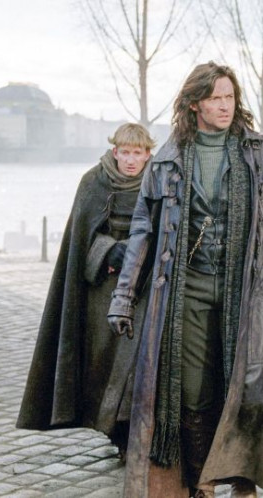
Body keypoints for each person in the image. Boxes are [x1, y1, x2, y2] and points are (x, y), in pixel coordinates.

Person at [107, 62, 263, 498]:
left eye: (230, 97)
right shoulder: (166, 160)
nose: (225, 106)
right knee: (191, 391)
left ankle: (244, 478)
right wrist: (123, 295)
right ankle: (200, 480)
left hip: (250, 290)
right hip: (188, 290)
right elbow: (143, 232)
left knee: (249, 386)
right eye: (215, 98)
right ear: (194, 104)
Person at [16, 123, 155, 460]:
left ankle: (129, 434)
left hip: (143, 286)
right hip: (101, 288)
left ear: (147, 154)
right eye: (125, 152)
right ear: (115, 151)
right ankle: (111, 429)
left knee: (134, 362)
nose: (131, 160)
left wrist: (138, 255)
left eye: (137, 153)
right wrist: (108, 251)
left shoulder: (158, 182)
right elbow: (80, 239)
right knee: (102, 362)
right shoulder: (93, 182)